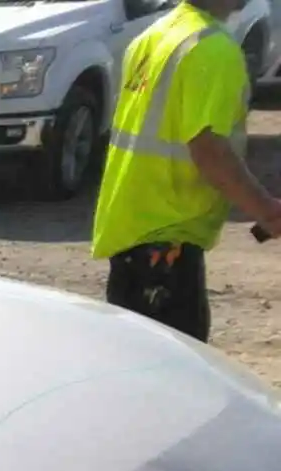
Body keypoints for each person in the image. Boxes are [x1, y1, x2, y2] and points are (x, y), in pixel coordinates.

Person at [91, 0, 281, 342]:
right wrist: (266, 210)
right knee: (176, 380)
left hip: (131, 233)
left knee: (139, 368)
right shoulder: (212, 49)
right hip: (166, 244)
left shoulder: (155, 36)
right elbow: (209, 150)